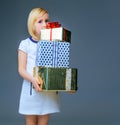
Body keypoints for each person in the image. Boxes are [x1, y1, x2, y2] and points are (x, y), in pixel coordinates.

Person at [18, 7, 60, 125]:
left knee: (44, 121)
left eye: (47, 21)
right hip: (31, 89)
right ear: (32, 25)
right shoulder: (25, 44)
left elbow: (57, 67)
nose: (45, 24)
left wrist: (66, 83)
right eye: (40, 21)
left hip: (47, 91)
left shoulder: (53, 44)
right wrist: (33, 79)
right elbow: (21, 69)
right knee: (30, 121)